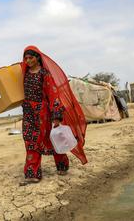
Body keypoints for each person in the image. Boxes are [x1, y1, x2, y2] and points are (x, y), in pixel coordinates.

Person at [20, 45, 87, 186]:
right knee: (30, 141)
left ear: (37, 58)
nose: (27, 61)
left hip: (43, 113)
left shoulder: (45, 74)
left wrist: (56, 117)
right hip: (28, 113)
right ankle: (32, 173)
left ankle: (62, 164)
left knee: (52, 138)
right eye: (25, 58)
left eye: (30, 57)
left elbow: (53, 94)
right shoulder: (24, 74)